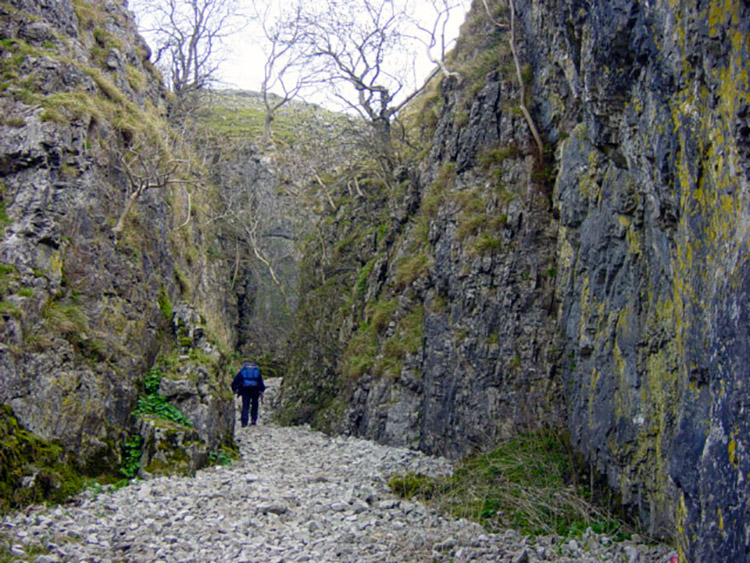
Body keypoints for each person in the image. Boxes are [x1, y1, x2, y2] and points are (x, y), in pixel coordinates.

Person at [231, 360, 266, 427]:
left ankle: (244, 422)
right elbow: (260, 382)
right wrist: (262, 390)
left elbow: (236, 381)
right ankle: (253, 420)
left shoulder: (242, 371)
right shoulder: (256, 371)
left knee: (245, 405)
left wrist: (234, 389)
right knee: (255, 404)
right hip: (255, 389)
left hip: (245, 390)